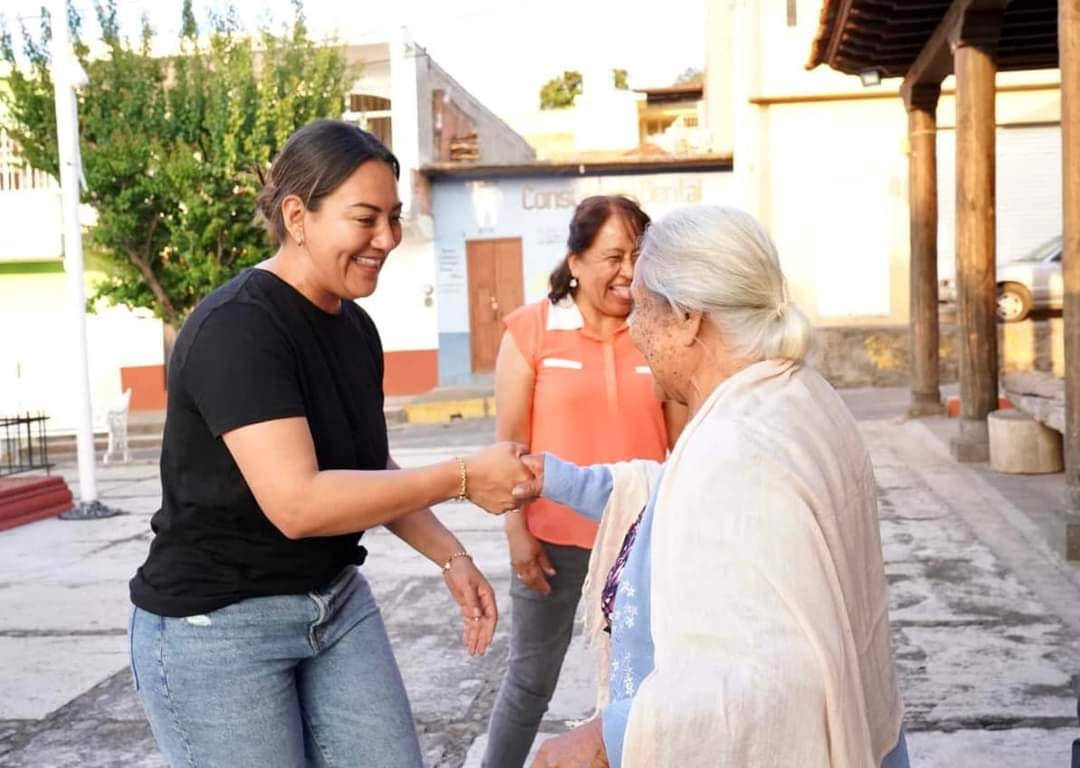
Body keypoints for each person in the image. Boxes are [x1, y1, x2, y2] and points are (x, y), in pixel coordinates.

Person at [127, 119, 530, 768]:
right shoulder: (240, 329)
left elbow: (369, 471)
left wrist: (451, 557)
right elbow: (300, 504)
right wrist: (461, 476)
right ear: (297, 215)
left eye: (395, 219)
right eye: (365, 218)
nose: (388, 239)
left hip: (334, 602)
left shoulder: (356, 328)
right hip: (218, 624)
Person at [518, 205, 909, 768]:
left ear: (687, 317)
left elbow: (774, 682)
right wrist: (557, 479)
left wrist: (612, 735)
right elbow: (682, 497)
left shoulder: (737, 445)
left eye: (644, 308)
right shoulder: (791, 396)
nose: (632, 327)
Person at [483, 195, 686, 768]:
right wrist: (517, 534)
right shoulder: (532, 330)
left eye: (639, 256)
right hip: (552, 543)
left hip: (638, 539)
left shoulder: (658, 329)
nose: (628, 271)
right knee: (529, 680)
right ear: (575, 261)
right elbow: (509, 447)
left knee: (642, 682)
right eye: (613, 256)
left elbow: (681, 442)